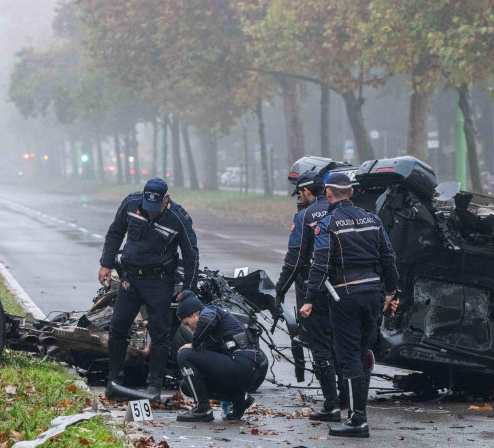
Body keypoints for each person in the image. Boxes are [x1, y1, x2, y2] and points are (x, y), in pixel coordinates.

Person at [301, 172, 399, 438]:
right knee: (363, 352)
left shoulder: (329, 223)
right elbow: (388, 257)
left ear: (329, 193)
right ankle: (358, 416)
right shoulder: (373, 219)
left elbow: (320, 263)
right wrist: (392, 291)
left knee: (349, 357)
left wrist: (309, 299)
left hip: (344, 295)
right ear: (352, 193)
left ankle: (358, 420)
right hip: (373, 294)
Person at [98, 177, 199, 401]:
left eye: (156, 207)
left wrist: (189, 291)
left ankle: (154, 384)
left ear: (166, 199)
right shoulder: (131, 204)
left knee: (159, 332)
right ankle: (114, 379)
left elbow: (191, 256)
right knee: (118, 326)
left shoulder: (178, 218)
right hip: (130, 277)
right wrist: (105, 263)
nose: (151, 211)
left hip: (159, 280)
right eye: (147, 206)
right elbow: (115, 233)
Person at [276, 171, 341, 422]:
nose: (299, 199)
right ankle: (348, 400)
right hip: (347, 289)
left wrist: (280, 291)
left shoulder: (305, 217)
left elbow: (294, 260)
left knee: (321, 345)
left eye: (300, 194)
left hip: (316, 290)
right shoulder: (346, 213)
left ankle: (332, 404)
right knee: (344, 345)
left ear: (306, 191)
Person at [175, 291, 266, 422]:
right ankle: (239, 398)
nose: (189, 329)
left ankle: (202, 409)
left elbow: (207, 319)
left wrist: (194, 344)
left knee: (184, 354)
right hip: (243, 372)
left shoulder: (210, 311)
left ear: (195, 313)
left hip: (244, 364)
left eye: (187, 323)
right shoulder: (210, 334)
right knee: (186, 385)